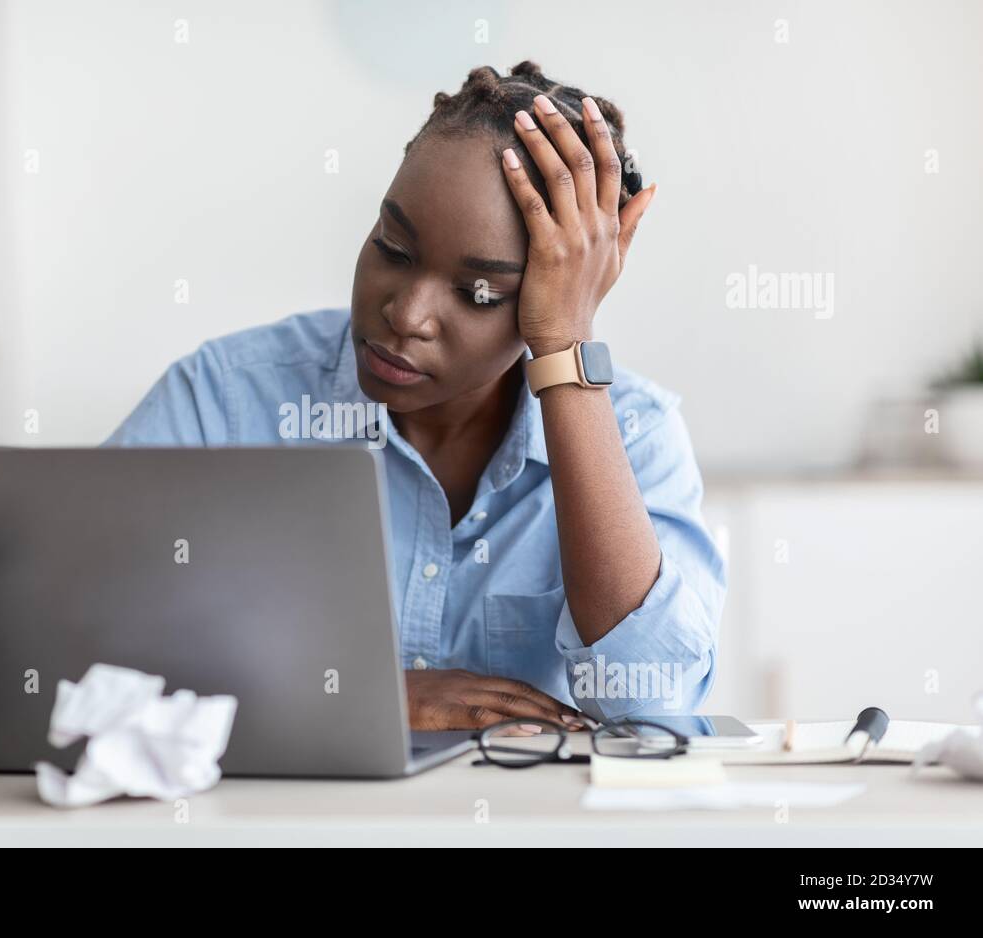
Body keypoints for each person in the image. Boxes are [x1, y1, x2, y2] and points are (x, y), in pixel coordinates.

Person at [107, 62, 726, 731]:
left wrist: (566, 345)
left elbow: (651, 707)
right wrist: (360, 696)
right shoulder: (225, 400)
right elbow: (80, 651)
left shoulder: (636, 434)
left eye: (478, 292)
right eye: (394, 249)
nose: (406, 315)